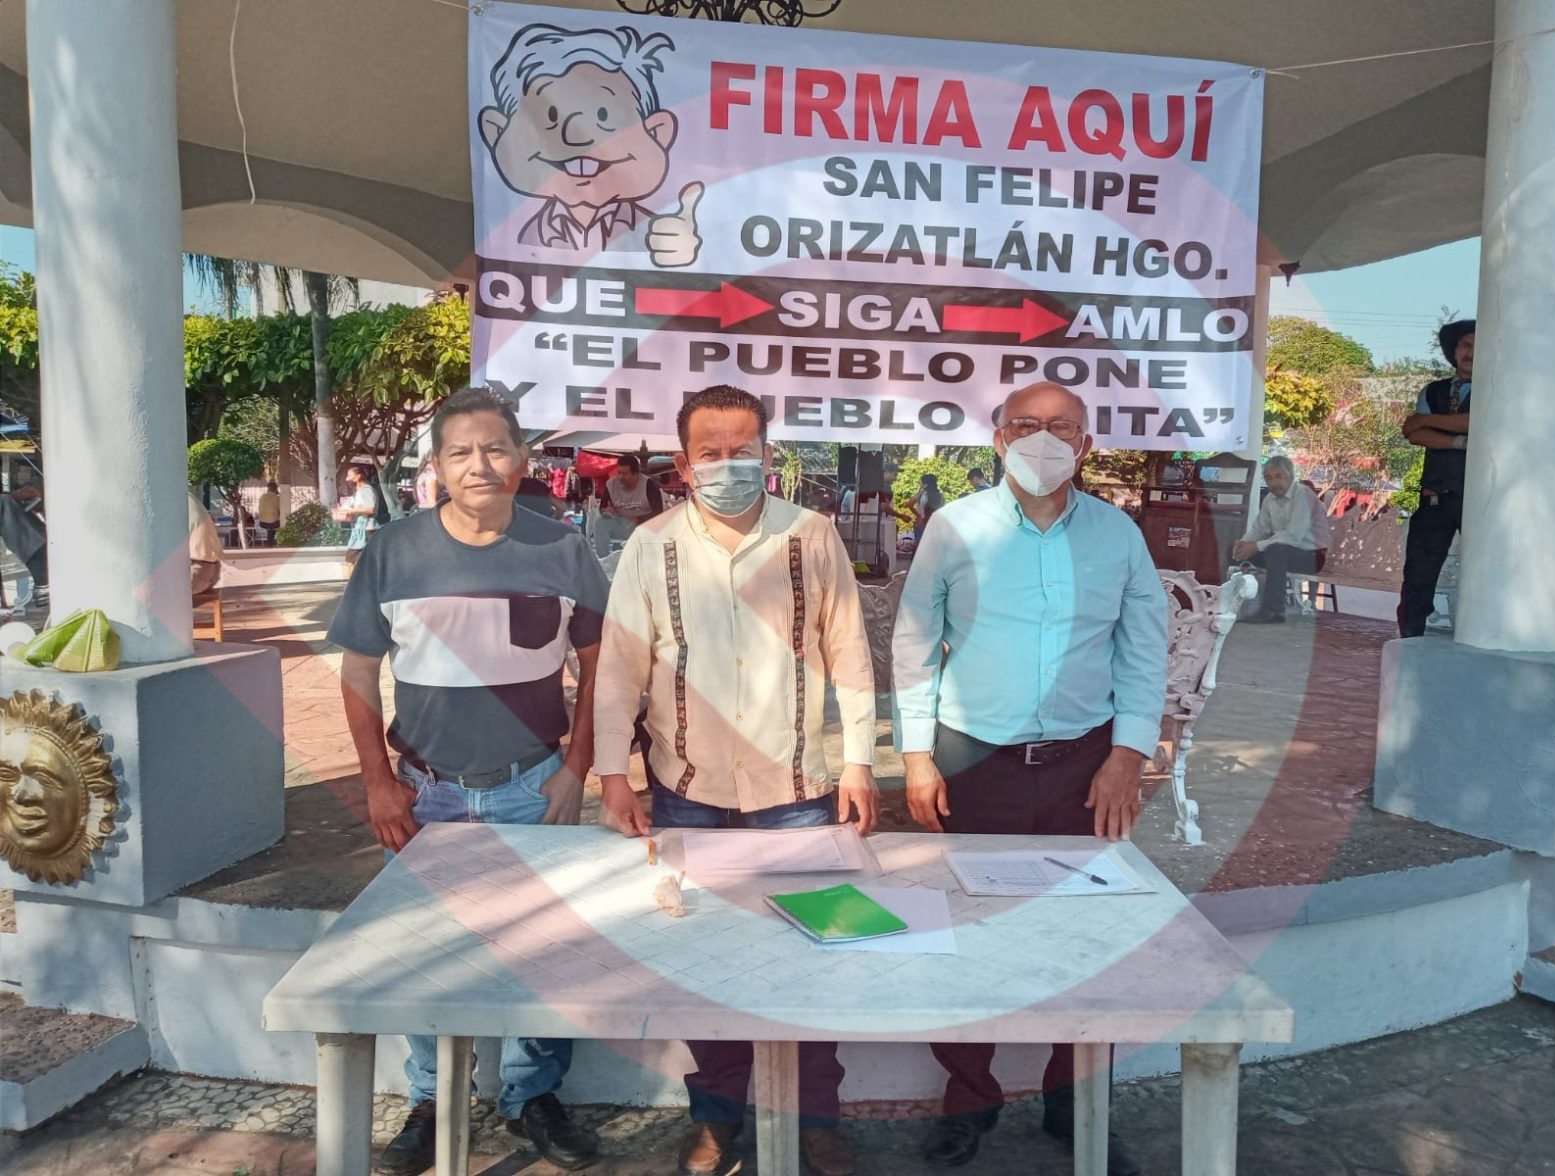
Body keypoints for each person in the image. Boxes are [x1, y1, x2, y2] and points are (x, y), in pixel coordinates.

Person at [595, 385, 878, 1176]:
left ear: (767, 454)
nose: (728, 466)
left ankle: (815, 1119)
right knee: (705, 967)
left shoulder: (810, 535)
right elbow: (619, 667)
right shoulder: (651, 545)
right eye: (710, 453)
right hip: (687, 790)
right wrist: (612, 773)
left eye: (742, 450)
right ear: (683, 466)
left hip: (798, 794)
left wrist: (859, 760)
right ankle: (717, 1120)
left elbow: (849, 650)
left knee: (813, 961)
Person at [327, 387, 607, 1176]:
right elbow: (358, 672)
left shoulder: (565, 551)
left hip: (534, 785)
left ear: (521, 460)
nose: (478, 465)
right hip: (425, 794)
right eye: (460, 452)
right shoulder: (393, 552)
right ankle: (430, 1099)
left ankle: (533, 1095)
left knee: (545, 948)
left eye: (494, 449)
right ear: (437, 468)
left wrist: (577, 767)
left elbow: (601, 667)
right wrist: (378, 784)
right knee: (426, 948)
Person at [891, 381, 1165, 1176]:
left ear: (1087, 444)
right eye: (1025, 425)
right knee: (963, 936)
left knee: (1086, 940)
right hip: (972, 761)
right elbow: (915, 642)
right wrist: (915, 755)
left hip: (1086, 766)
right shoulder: (955, 525)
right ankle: (966, 1102)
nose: (1043, 440)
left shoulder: (1118, 534)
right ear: (998, 438)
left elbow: (1143, 647)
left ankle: (1073, 1106)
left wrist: (1128, 755)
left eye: (1061, 428)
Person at [476, 22, 702, 267]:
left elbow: (671, 282)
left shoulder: (653, 234)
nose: (577, 138)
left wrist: (682, 259)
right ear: (497, 133)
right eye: (551, 115)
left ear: (657, 132)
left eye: (605, 115)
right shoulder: (518, 238)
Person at [1398, 318, 1474, 637]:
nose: (1471, 353)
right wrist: (1461, 441)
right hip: (1435, 496)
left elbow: (1476, 421)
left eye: (1478, 346)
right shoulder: (1433, 390)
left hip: (1478, 500)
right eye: (1466, 345)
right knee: (1418, 577)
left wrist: (1428, 420)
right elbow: (1413, 432)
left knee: (1486, 573)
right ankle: (1408, 643)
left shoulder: (1497, 390)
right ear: (1454, 351)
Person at [1232, 456, 1326, 623]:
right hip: (1284, 552)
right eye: (1269, 478)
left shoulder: (1303, 494)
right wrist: (1243, 543)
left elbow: (1293, 536)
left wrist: (1256, 546)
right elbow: (1259, 528)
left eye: (1278, 476)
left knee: (1275, 550)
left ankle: (1274, 611)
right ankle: (1232, 606)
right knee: (1236, 552)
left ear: (1290, 476)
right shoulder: (1269, 499)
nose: (1273, 483)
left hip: (1312, 556)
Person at [334, 463, 380, 567]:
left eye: (349, 476)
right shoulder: (360, 491)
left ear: (358, 476)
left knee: (352, 559)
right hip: (361, 529)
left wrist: (352, 510)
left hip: (367, 529)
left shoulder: (366, 490)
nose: (347, 479)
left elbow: (370, 509)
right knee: (361, 560)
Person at [913, 473, 945, 546]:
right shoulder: (939, 495)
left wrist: (918, 515)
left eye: (921, 482)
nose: (919, 484)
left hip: (921, 524)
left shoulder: (922, 495)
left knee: (920, 546)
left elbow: (909, 504)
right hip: (934, 524)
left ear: (925, 484)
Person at [256, 481, 281, 547]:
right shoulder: (277, 498)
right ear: (276, 488)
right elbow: (280, 510)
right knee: (279, 524)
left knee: (271, 528)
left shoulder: (262, 497)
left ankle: (269, 543)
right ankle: (270, 543)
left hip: (262, 522)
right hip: (273, 523)